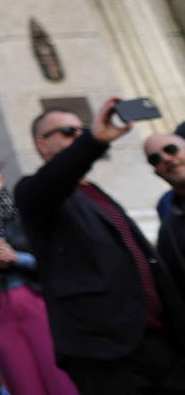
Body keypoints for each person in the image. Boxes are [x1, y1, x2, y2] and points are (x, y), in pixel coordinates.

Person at [14, 101, 185, 393]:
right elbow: (53, 180)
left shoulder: (95, 193)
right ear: (42, 145)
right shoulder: (34, 193)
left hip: (159, 342)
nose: (80, 135)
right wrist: (94, 140)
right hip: (106, 353)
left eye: (82, 130)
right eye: (69, 132)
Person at [0, 157, 74, 395]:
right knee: (20, 378)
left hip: (35, 297)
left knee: (57, 371)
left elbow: (55, 258)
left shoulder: (23, 212)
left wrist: (16, 258)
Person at [144, 133, 185, 296]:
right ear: (156, 171)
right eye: (154, 159)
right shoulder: (169, 222)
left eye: (171, 149)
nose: (166, 159)